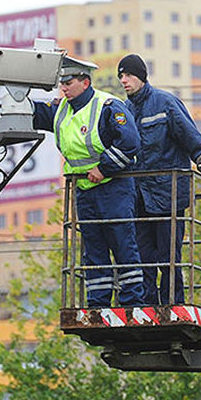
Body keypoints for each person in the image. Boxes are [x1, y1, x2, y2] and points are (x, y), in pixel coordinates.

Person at [32, 56, 144, 308]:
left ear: (85, 82)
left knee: (122, 244)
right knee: (94, 249)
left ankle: (132, 301)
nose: (63, 88)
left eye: (68, 83)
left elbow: (130, 143)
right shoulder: (62, 109)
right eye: (61, 83)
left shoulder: (107, 106)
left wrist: (104, 168)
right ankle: (98, 302)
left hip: (113, 188)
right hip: (85, 191)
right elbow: (37, 113)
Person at [117, 53, 201, 305]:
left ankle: (171, 305)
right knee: (142, 257)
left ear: (142, 76)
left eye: (129, 75)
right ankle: (148, 306)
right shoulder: (124, 111)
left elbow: (192, 140)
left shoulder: (165, 103)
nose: (124, 80)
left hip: (168, 196)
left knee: (168, 257)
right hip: (139, 198)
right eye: (121, 76)